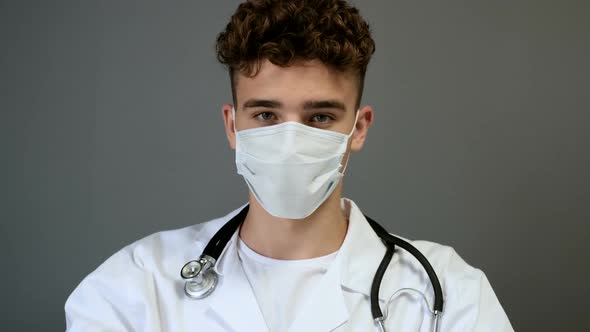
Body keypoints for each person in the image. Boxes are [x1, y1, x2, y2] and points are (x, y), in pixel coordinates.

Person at [64, 1, 513, 331]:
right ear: (232, 126)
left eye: (320, 117)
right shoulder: (134, 287)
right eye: (265, 116)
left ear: (358, 128)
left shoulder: (450, 294)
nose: (291, 141)